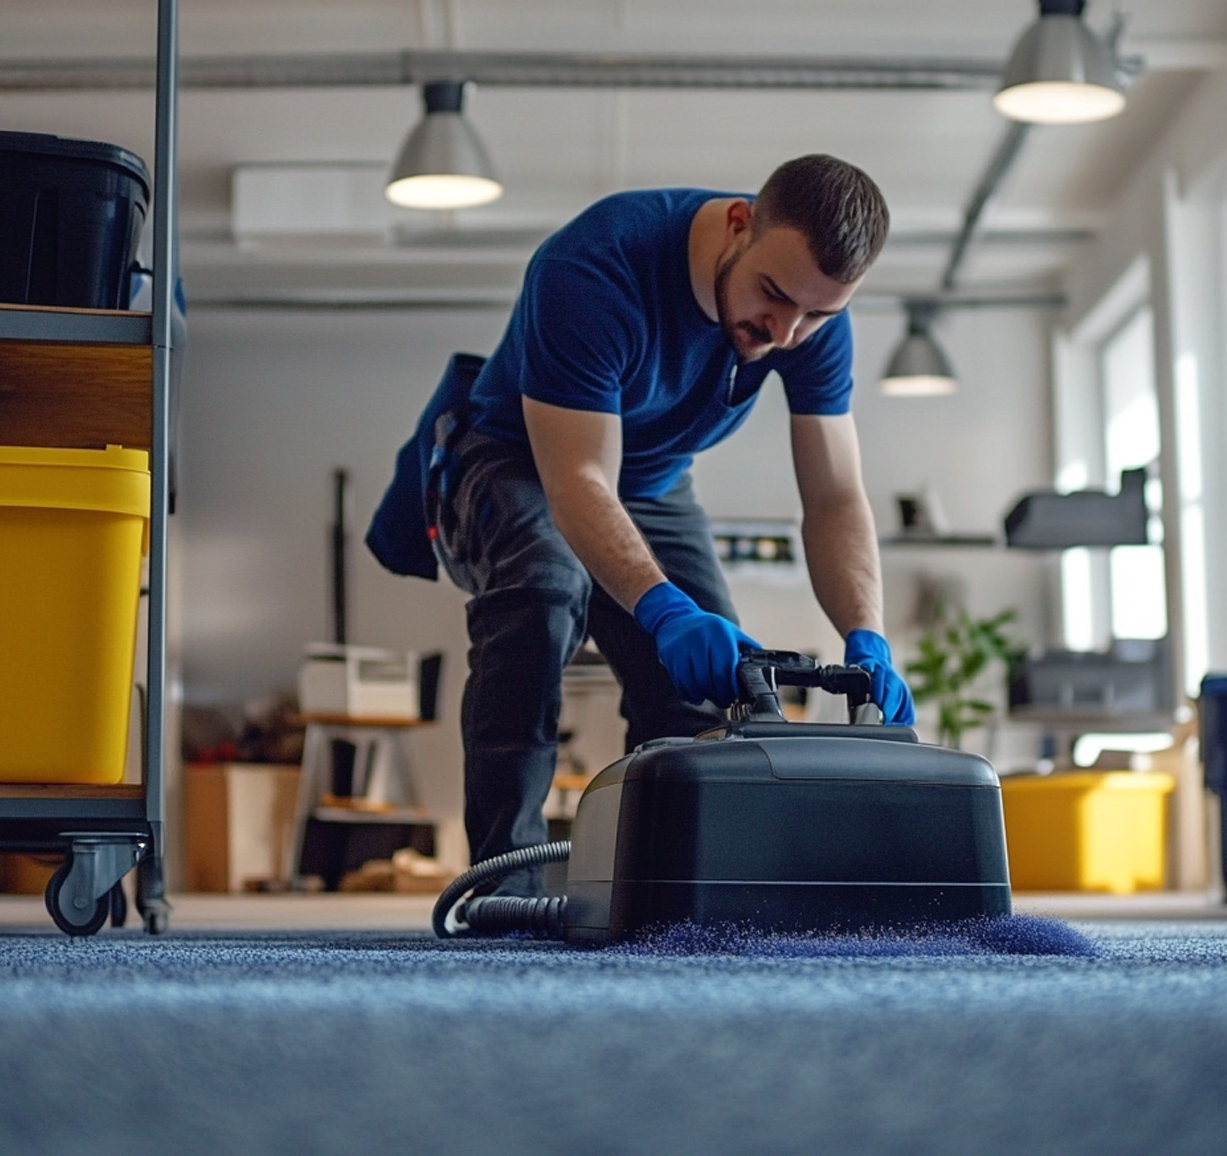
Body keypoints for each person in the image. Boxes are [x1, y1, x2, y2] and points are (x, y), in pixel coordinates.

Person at [367, 153, 914, 896]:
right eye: (774, 295)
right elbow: (577, 480)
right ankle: (502, 885)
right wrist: (660, 609)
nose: (786, 333)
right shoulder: (594, 267)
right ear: (736, 225)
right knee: (543, 590)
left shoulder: (811, 322)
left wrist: (867, 632)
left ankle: (665, 885)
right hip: (512, 457)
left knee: (721, 687)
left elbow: (834, 497)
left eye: (817, 314)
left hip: (652, 481)